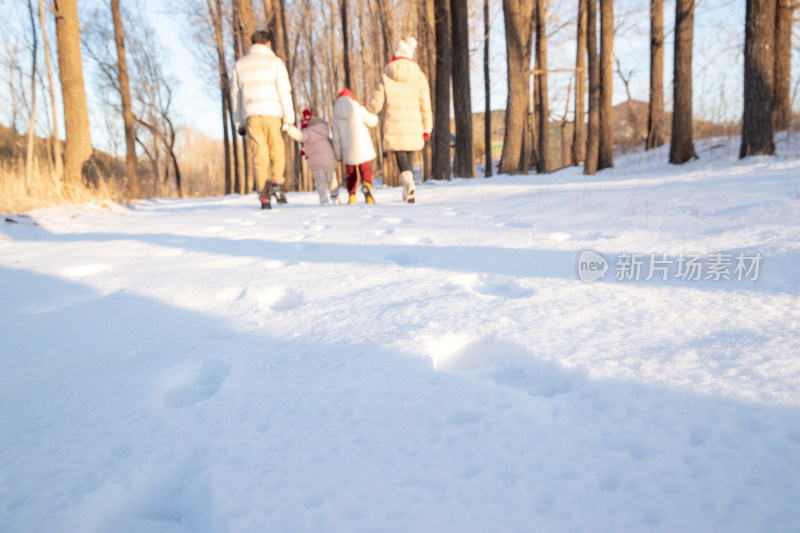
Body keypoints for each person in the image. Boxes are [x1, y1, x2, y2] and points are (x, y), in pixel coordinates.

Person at [231, 29, 294, 210]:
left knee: (260, 157)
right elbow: (284, 91)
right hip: (273, 113)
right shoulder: (275, 62)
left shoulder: (240, 65)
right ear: (268, 44)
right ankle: (276, 181)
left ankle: (264, 197)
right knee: (277, 151)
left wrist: (239, 123)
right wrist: (288, 119)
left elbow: (235, 96)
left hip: (252, 116)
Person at [367, 37, 432, 204]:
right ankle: (408, 185)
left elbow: (376, 102)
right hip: (414, 123)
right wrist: (427, 127)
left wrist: (369, 110)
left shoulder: (386, 74)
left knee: (400, 154)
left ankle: (408, 183)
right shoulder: (419, 75)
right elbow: (425, 104)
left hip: (393, 122)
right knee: (409, 153)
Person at [331, 88, 379, 205]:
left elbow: (336, 139)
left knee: (350, 173)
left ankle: (352, 196)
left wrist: (337, 155)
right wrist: (376, 116)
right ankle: (367, 186)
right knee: (365, 168)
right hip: (362, 146)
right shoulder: (358, 108)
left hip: (347, 149)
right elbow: (372, 121)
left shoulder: (335, 115)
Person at [283, 109, 340, 205]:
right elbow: (331, 142)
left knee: (320, 180)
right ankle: (335, 197)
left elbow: (300, 136)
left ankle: (323, 198)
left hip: (317, 161)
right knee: (332, 178)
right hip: (329, 158)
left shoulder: (308, 131)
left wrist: (289, 128)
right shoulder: (324, 129)